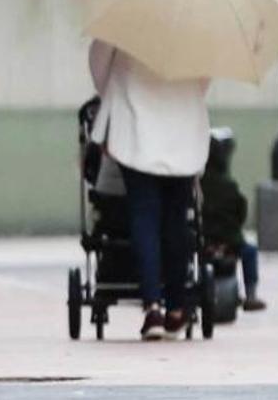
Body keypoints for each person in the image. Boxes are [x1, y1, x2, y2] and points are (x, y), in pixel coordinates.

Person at [89, 39, 210, 340]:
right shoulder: (195, 21)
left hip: (136, 121)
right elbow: (204, 79)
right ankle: (177, 307)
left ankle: (152, 306)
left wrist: (112, 96)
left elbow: (99, 61)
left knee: (144, 216)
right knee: (176, 220)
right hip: (182, 125)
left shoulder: (125, 13)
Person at [200, 127, 267, 312]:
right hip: (231, 242)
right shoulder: (229, 185)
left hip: (203, 242)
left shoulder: (198, 185)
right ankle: (251, 294)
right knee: (251, 250)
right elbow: (241, 211)